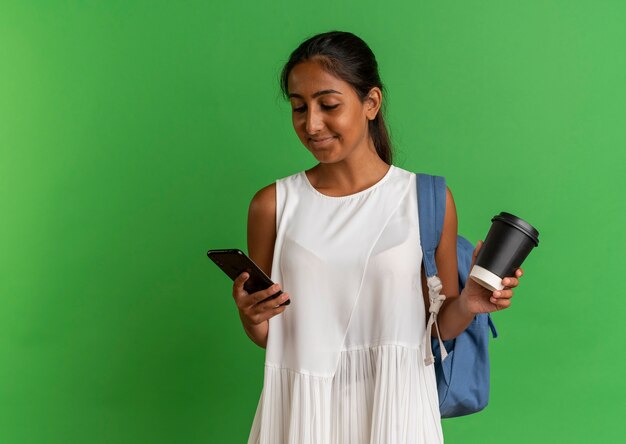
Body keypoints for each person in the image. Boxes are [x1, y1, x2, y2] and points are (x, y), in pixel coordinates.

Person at [231, 31, 524, 444]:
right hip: (301, 413)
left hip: (399, 409)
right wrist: (251, 316)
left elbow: (438, 328)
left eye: (328, 105)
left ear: (371, 103)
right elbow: (271, 338)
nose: (311, 124)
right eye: (299, 108)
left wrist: (472, 304)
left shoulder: (428, 198)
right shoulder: (273, 205)